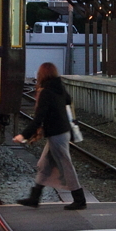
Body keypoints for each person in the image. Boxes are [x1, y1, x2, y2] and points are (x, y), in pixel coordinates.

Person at [13, 62, 86, 210]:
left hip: (56, 134)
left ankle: (80, 199)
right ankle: (34, 197)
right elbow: (68, 100)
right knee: (44, 165)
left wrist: (23, 135)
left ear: (42, 75)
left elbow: (39, 118)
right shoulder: (59, 87)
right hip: (62, 131)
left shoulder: (46, 92)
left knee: (66, 166)